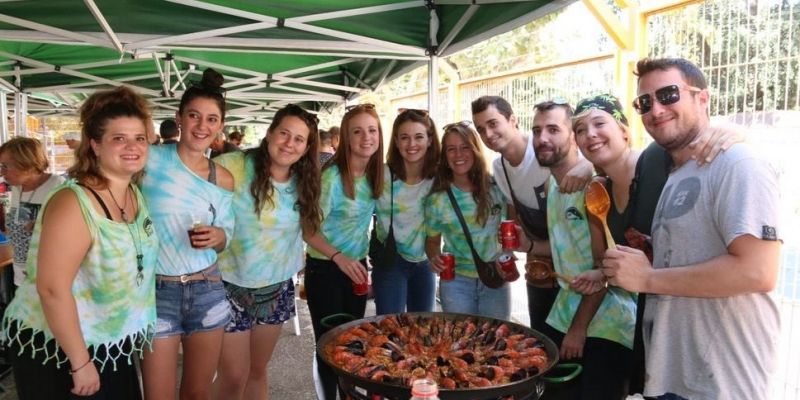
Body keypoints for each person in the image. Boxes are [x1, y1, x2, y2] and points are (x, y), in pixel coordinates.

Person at [600, 57, 782, 400]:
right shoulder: (676, 171)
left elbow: (757, 271)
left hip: (723, 384)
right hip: (675, 376)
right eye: (645, 102)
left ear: (703, 98)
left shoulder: (738, 163)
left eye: (669, 94)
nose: (656, 109)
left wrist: (648, 278)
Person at [569, 93, 744, 394]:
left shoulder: (655, 161)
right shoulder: (600, 191)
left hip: (706, 311)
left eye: (599, 123)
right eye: (581, 130)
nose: (590, 135)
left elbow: (699, 140)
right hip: (654, 313)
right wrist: (602, 274)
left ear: (624, 129)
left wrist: (733, 133)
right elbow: (631, 260)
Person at [1, 86, 159, 399]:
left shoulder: (133, 193)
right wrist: (80, 361)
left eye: (139, 138)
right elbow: (52, 289)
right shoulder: (73, 202)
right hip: (59, 348)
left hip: (108, 340)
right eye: (119, 138)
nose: (132, 146)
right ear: (95, 145)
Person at [212, 104, 321, 400]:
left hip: (275, 289)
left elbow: (311, 230)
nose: (289, 143)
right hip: (227, 285)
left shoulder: (305, 182)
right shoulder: (233, 165)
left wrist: (338, 256)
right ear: (270, 133)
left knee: (258, 371)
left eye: (299, 139)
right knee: (233, 376)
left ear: (306, 147)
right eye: (284, 133)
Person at [139, 68, 235, 400]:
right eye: (194, 116)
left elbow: (226, 239)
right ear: (179, 118)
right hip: (157, 291)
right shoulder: (149, 160)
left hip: (206, 289)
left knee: (197, 394)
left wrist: (218, 235)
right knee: (157, 395)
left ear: (220, 125)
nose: (202, 126)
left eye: (211, 119)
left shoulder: (222, 178)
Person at [532, 99, 636, 399]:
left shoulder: (594, 185)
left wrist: (578, 329)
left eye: (553, 129)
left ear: (570, 138)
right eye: (537, 130)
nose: (543, 138)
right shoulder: (554, 185)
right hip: (565, 312)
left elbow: (604, 266)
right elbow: (565, 247)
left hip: (606, 321)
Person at [471, 95, 592, 338]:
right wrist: (511, 251)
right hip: (542, 268)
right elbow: (514, 213)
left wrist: (587, 166)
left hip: (580, 271)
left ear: (513, 120)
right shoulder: (499, 167)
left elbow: (591, 160)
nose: (488, 134)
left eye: (493, 123)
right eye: (481, 129)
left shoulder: (544, 152)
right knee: (544, 341)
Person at [304, 104, 383, 400]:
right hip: (326, 269)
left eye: (372, 130)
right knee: (330, 348)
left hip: (356, 269)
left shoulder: (376, 174)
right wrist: (339, 256)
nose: (366, 137)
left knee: (353, 346)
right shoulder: (332, 178)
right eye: (358, 131)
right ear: (344, 138)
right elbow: (308, 229)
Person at [424, 121, 510, 320]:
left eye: (465, 148)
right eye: (451, 150)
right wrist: (434, 258)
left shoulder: (497, 187)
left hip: (495, 277)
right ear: (444, 157)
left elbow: (513, 226)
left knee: (496, 338)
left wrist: (508, 255)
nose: (458, 155)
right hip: (456, 282)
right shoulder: (437, 199)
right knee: (461, 339)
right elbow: (432, 242)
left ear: (475, 150)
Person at [371, 109, 440, 314]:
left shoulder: (439, 178)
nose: (411, 145)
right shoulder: (380, 175)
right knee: (390, 328)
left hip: (426, 262)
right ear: (396, 141)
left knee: (423, 328)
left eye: (419, 137)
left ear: (429, 140)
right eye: (405, 138)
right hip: (390, 261)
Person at [0, 138, 64, 291]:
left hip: (49, 277)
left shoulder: (57, 186)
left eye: (5, 166)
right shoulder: (17, 188)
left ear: (26, 163)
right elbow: (19, 226)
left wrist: (42, 225)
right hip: (22, 274)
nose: (2, 173)